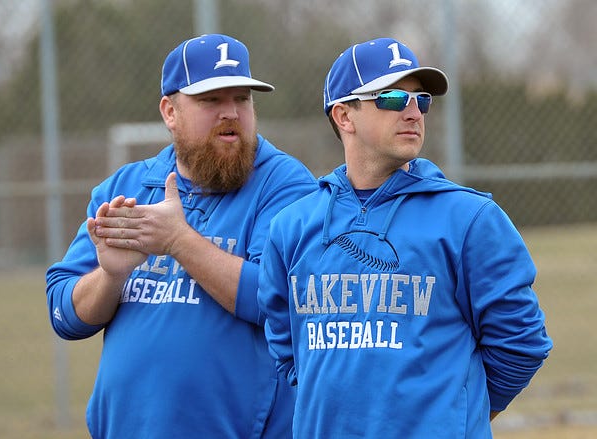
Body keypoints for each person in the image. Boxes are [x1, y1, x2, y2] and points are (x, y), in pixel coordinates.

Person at [257, 37, 552, 438]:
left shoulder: (469, 219)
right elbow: (286, 346)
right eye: (393, 98)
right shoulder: (292, 226)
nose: (413, 112)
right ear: (344, 116)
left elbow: (520, 343)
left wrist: (456, 415)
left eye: (421, 100)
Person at [46, 34, 317, 438]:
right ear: (170, 112)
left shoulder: (284, 184)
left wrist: (178, 241)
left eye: (241, 98)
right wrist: (111, 277)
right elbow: (64, 315)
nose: (231, 113)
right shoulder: (129, 187)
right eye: (211, 100)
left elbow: (279, 300)